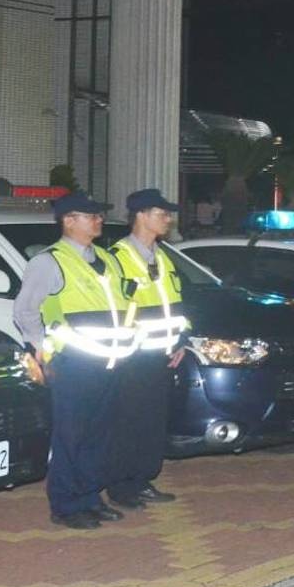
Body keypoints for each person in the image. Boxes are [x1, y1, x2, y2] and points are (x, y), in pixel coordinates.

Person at [12, 191, 138, 529]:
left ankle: (90, 497)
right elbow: (25, 311)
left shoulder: (106, 259)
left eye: (98, 215)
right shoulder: (48, 262)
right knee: (71, 436)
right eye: (91, 215)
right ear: (69, 221)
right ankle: (67, 505)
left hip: (110, 361)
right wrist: (41, 348)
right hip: (73, 364)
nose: (98, 220)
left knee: (99, 435)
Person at [106, 188, 190, 509]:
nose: (168, 219)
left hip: (162, 356)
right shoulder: (117, 258)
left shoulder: (163, 255)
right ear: (140, 215)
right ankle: (121, 486)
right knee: (127, 423)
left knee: (152, 423)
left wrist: (179, 341)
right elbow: (112, 310)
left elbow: (177, 305)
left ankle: (141, 480)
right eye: (161, 213)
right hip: (130, 357)